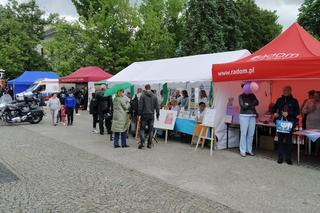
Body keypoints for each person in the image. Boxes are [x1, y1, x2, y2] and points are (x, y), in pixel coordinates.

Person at [272, 86, 299, 165]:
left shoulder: (294, 101)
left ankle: (288, 158)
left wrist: (289, 113)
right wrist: (275, 113)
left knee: (289, 142)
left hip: (289, 124)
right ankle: (280, 158)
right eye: (284, 90)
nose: (285, 91)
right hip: (280, 123)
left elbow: (297, 112)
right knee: (280, 141)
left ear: (290, 91)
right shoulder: (279, 100)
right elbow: (274, 108)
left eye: (287, 90)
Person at [238, 84, 259, 157]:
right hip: (244, 115)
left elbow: (257, 102)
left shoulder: (252, 95)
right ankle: (242, 150)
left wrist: (248, 104)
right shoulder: (241, 96)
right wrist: (252, 104)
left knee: (251, 134)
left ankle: (249, 150)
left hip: (252, 115)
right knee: (244, 133)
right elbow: (243, 106)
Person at [138, 84, 160, 149]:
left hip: (144, 115)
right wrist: (157, 115)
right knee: (150, 130)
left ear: (145, 88)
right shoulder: (155, 96)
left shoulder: (142, 96)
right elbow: (157, 107)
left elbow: (140, 106)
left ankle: (142, 143)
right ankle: (149, 144)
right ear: (150, 88)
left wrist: (139, 114)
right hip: (151, 115)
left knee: (142, 129)